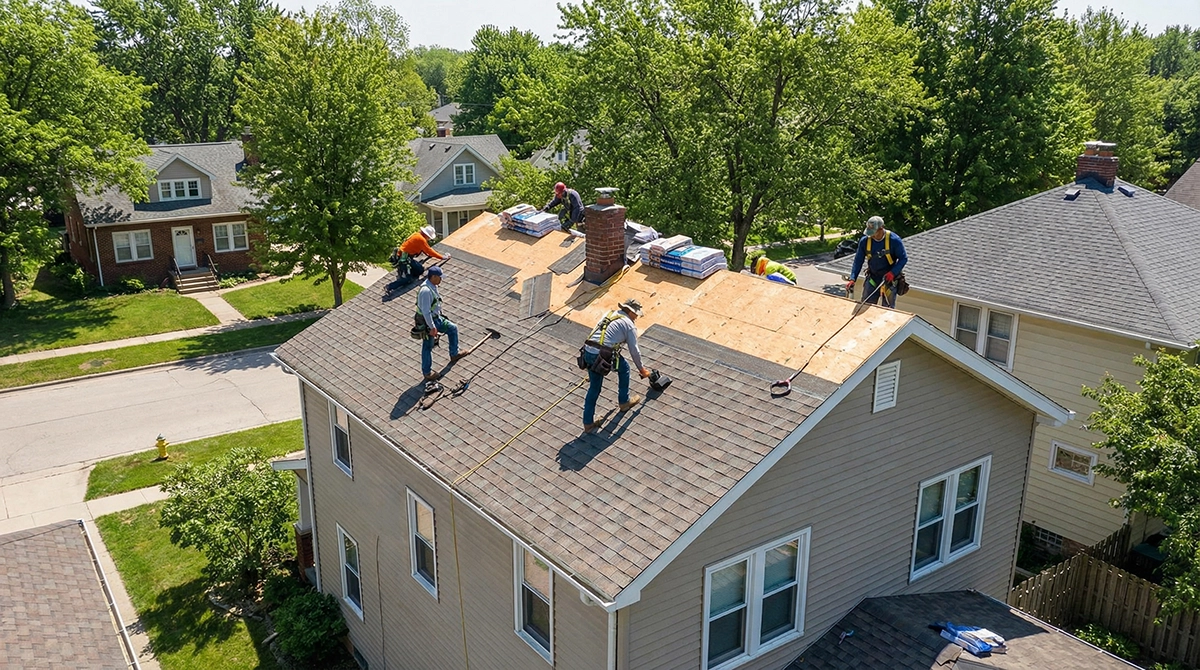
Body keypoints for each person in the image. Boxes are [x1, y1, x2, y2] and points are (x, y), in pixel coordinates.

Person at [581, 299, 651, 432]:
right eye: (636, 314)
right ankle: (624, 402)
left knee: (594, 388)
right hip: (601, 354)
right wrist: (642, 369)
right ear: (630, 311)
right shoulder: (628, 324)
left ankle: (588, 423)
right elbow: (634, 350)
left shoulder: (610, 314)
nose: (636, 317)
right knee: (624, 369)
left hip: (588, 351)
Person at [416, 266, 466, 381]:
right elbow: (426, 312)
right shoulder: (425, 291)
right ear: (433, 277)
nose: (441, 280)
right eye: (439, 277)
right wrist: (432, 328)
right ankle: (427, 373)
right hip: (429, 322)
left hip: (437, 319)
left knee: (452, 328)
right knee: (427, 347)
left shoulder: (433, 286)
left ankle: (454, 354)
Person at [846, 216, 907, 308]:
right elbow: (858, 261)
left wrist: (893, 273)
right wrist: (852, 278)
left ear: (881, 228)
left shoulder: (894, 240)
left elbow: (903, 258)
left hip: (889, 280)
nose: (871, 235)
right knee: (865, 305)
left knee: (887, 310)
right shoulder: (865, 241)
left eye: (874, 232)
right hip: (873, 278)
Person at [389, 225, 447, 291]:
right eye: (429, 237)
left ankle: (408, 271)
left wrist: (428, 254)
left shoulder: (416, 235)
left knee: (420, 270)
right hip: (404, 260)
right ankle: (390, 287)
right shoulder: (421, 239)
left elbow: (424, 250)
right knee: (407, 279)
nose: (428, 239)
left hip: (404, 256)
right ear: (427, 235)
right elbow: (429, 251)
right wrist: (442, 257)